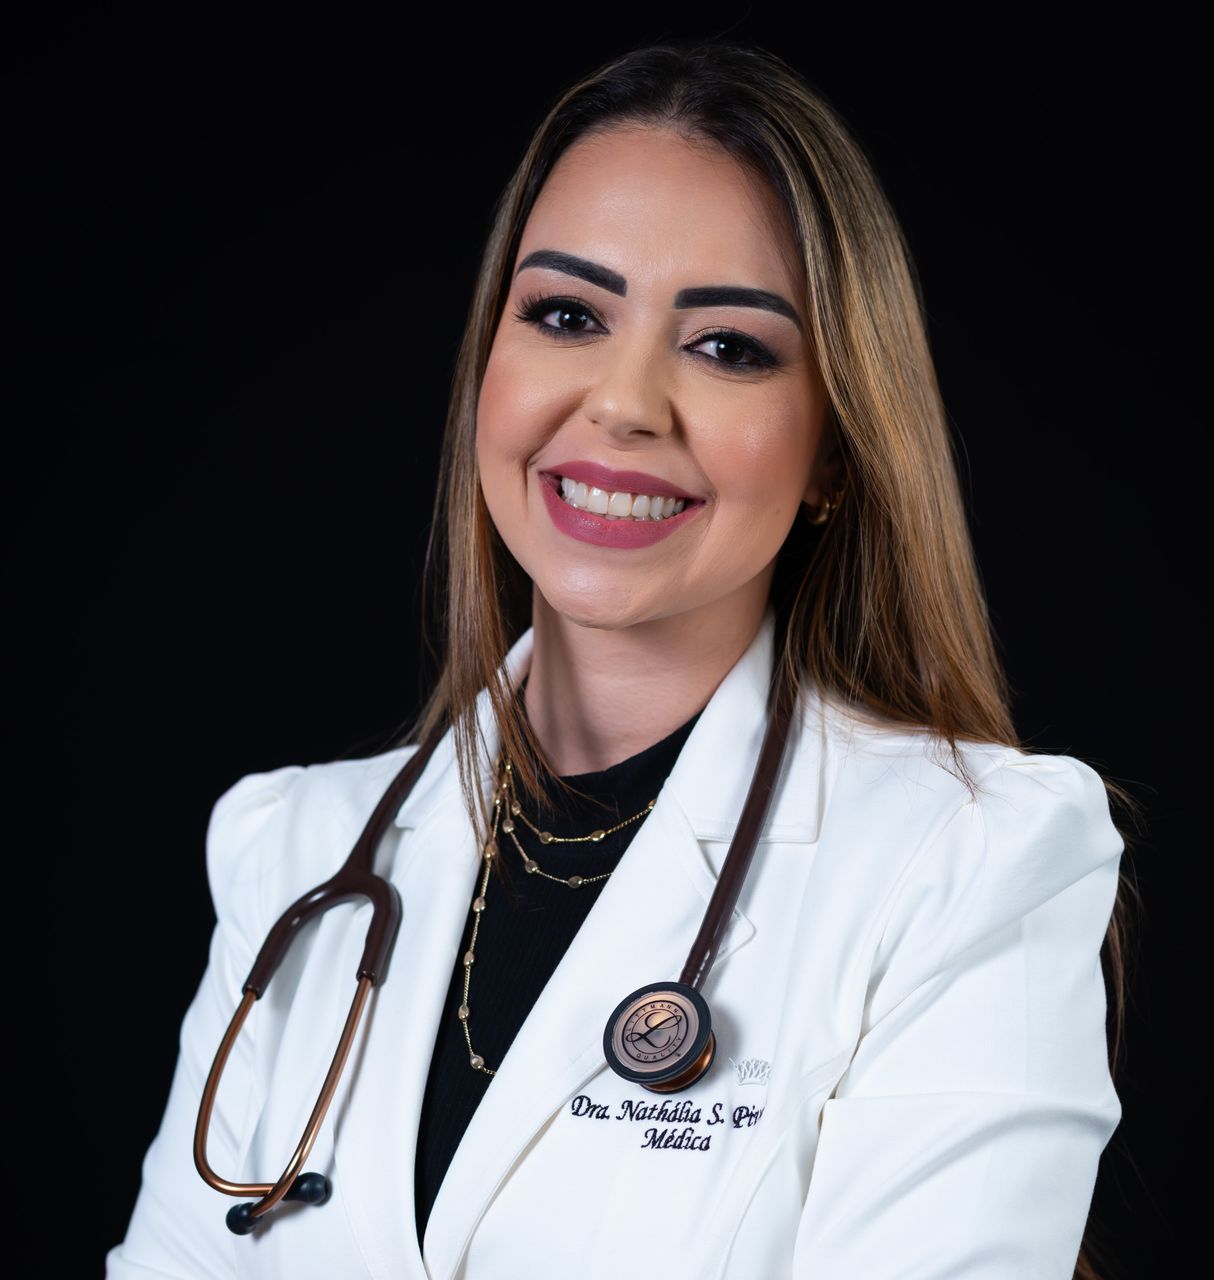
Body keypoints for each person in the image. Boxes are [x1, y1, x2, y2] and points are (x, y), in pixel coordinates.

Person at [105, 38, 1139, 1280]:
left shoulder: (970, 859)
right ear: (487, 368)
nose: (623, 402)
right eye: (566, 315)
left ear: (831, 451)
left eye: (727, 346)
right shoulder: (293, 851)